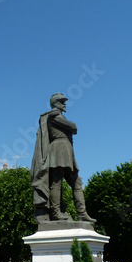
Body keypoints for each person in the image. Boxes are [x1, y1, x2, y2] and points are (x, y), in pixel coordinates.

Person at [31, 93, 96, 223]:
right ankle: (56, 212)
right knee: (57, 181)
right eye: (61, 101)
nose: (64, 103)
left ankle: (82, 213)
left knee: (76, 182)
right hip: (58, 150)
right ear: (55, 103)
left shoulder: (59, 116)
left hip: (66, 150)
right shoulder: (53, 115)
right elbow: (73, 127)